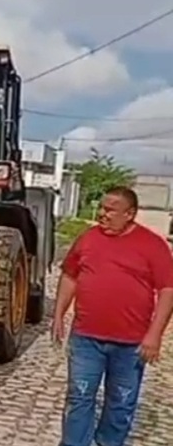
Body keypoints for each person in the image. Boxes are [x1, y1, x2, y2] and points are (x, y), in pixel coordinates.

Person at [53, 186, 173, 446]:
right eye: (102, 208)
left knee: (121, 402)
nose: (102, 215)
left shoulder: (153, 245)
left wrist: (155, 335)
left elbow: (167, 290)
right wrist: (58, 314)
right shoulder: (88, 239)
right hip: (86, 338)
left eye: (110, 210)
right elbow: (70, 275)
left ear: (129, 214)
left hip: (131, 344)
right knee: (79, 397)